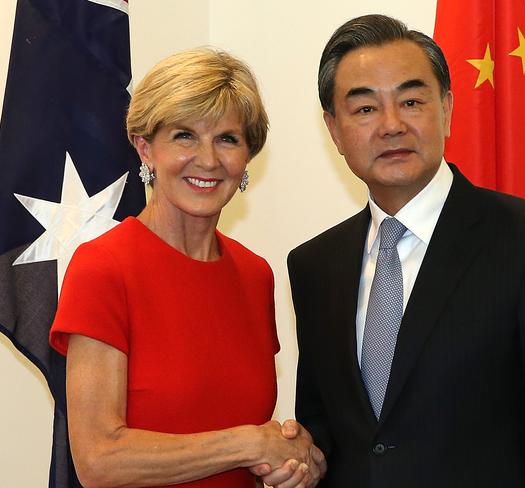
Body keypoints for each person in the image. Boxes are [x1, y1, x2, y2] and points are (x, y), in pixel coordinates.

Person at [286, 14, 525, 487]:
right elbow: (329, 432)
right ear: (333, 130)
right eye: (364, 110)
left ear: (448, 108)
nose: (392, 125)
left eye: (412, 101)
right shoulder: (315, 266)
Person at [49, 47, 324, 488]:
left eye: (228, 139)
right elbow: (100, 460)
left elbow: (252, 448)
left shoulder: (255, 275)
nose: (209, 160)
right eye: (184, 136)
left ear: (247, 157)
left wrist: (297, 463)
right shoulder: (103, 268)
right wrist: (250, 444)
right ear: (145, 148)